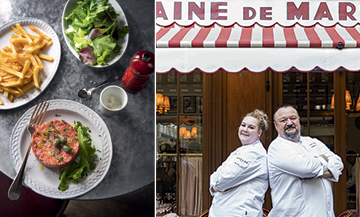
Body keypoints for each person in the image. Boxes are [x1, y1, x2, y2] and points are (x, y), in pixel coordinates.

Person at [268, 104, 344, 217]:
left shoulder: (312, 141)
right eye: (283, 120)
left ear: (298, 120)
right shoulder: (277, 147)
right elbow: (307, 168)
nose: (289, 123)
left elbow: (338, 163)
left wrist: (315, 173)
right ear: (276, 125)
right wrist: (324, 162)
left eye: (293, 118)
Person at [209, 109, 269, 217]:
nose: (245, 129)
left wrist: (215, 185)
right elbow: (217, 176)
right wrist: (216, 183)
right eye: (243, 125)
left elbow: (223, 179)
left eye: (251, 127)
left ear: (259, 133)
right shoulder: (240, 151)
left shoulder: (255, 154)